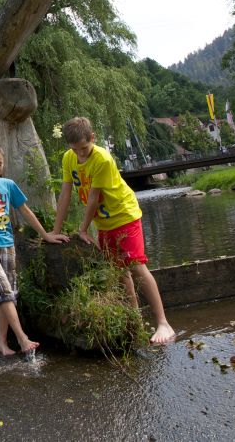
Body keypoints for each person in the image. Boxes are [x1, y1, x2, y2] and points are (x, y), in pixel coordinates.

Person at [52, 116, 176, 344]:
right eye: (75, 149)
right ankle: (135, 319)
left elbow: (93, 198)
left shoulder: (102, 159)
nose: (80, 154)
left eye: (84, 148)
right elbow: (66, 193)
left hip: (124, 216)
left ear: (92, 138)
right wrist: (54, 231)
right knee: (119, 271)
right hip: (105, 223)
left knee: (136, 267)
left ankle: (163, 323)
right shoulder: (69, 158)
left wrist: (82, 229)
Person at [0, 141, 69, 357]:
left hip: (7, 244)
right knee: (3, 288)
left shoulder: (8, 185)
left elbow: (25, 211)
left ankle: (2, 341)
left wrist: (45, 235)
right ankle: (22, 338)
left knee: (6, 292)